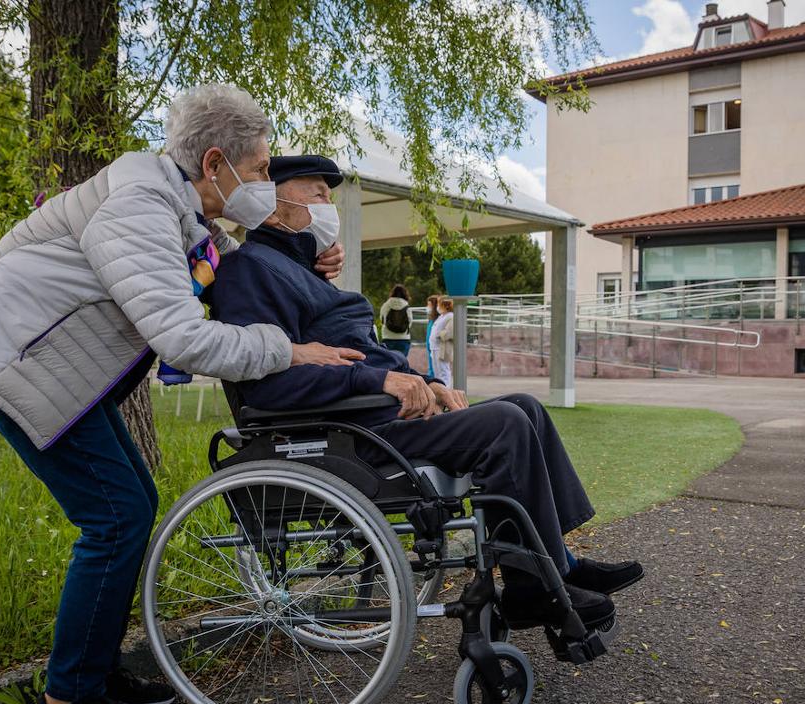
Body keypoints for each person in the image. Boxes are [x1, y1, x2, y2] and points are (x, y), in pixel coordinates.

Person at [0, 85, 363, 704]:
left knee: (130, 504)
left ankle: (90, 677)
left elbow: (223, 273)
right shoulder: (139, 207)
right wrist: (291, 349)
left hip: (46, 359)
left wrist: (311, 257)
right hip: (8, 359)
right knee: (115, 515)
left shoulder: (181, 213)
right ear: (216, 164)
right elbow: (184, 339)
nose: (268, 185)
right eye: (265, 169)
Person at [211, 154, 643, 635]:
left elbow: (368, 353)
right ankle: (533, 587)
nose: (328, 206)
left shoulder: (301, 269)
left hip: (374, 420)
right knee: (505, 424)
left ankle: (555, 564)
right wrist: (375, 382)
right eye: (317, 195)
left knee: (524, 407)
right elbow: (271, 384)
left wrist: (429, 383)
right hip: (346, 433)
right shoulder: (249, 270)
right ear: (275, 205)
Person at [378, 284, 412, 357]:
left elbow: (382, 320)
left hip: (388, 337)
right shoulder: (407, 306)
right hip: (403, 338)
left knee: (389, 362)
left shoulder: (385, 305)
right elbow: (410, 322)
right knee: (402, 363)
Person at [428, 296, 454, 386]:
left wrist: (439, 335)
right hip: (434, 347)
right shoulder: (441, 316)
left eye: (439, 304)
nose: (438, 306)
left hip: (441, 348)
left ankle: (447, 389)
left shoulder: (450, 316)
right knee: (437, 372)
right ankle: (441, 389)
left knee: (444, 371)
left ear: (445, 305)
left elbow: (450, 332)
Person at [423, 294, 440, 377]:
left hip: (435, 346)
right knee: (431, 365)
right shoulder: (431, 319)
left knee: (436, 368)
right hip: (430, 345)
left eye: (429, 305)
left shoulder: (437, 319)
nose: (427, 307)